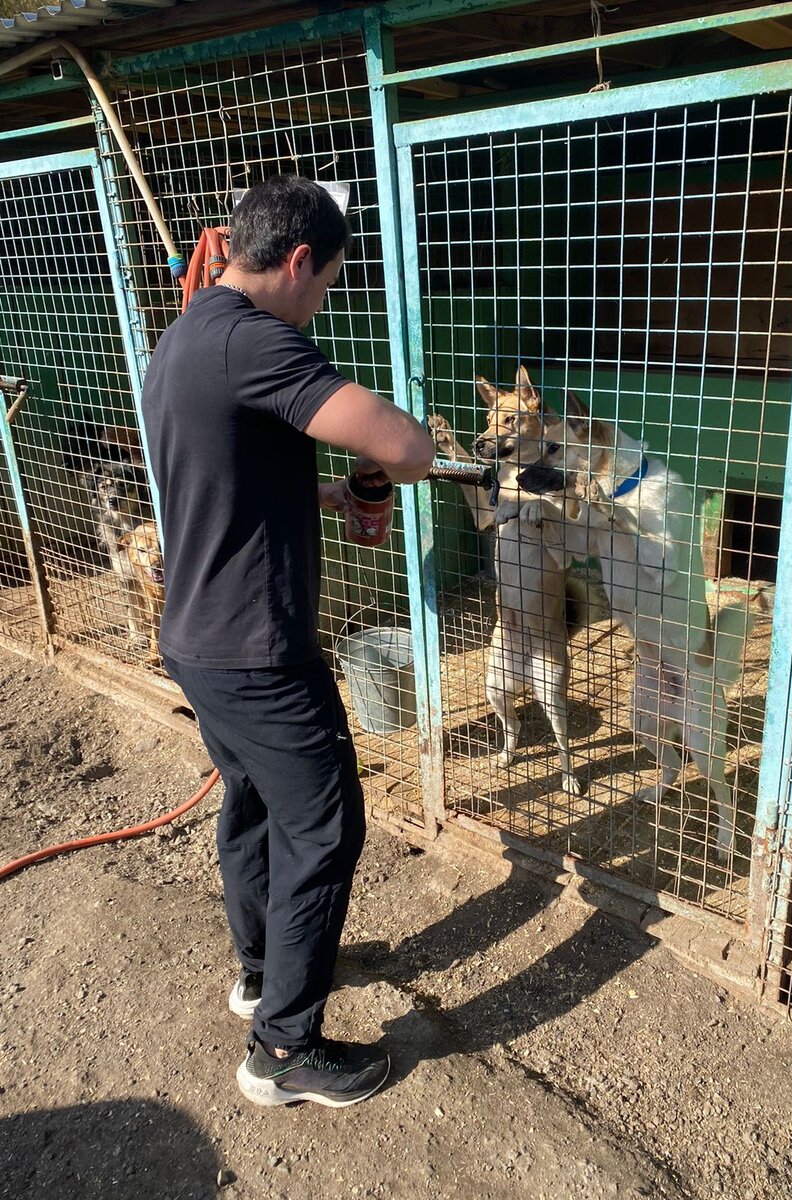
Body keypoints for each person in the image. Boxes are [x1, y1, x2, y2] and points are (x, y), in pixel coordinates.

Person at [140, 175, 435, 1108]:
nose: (323, 301)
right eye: (329, 281)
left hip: (197, 635)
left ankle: (262, 972)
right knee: (326, 826)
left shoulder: (186, 333)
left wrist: (327, 497)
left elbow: (221, 471)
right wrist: (385, 466)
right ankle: (283, 1052)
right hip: (257, 650)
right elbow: (407, 446)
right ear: (298, 260)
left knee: (258, 810)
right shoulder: (254, 341)